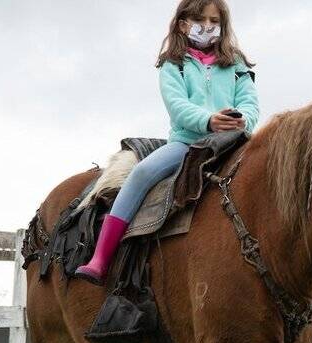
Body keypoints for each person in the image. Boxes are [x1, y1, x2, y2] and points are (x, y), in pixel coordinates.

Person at [77, 0, 259, 283]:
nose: (209, 26)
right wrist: (209, 120)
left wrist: (242, 119)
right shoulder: (173, 64)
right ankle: (101, 257)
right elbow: (178, 106)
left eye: (214, 20)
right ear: (183, 24)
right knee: (141, 173)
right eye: (201, 20)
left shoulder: (236, 64)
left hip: (233, 142)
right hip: (186, 143)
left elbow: (250, 103)